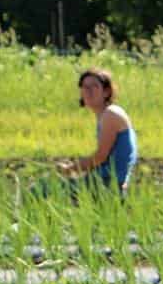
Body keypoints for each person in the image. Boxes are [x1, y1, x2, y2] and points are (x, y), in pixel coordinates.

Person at [54, 67, 138, 197]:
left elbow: (100, 156)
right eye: (84, 87)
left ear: (106, 92)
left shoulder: (111, 114)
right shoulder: (105, 114)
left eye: (94, 86)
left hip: (106, 183)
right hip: (106, 181)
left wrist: (70, 169)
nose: (88, 91)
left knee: (43, 189)